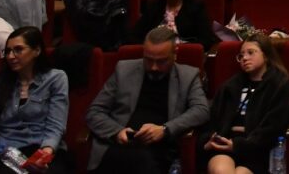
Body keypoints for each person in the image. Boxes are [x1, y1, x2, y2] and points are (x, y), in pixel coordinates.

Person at [85, 26, 211, 173]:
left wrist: (165, 129)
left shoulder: (188, 76)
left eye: (161, 61)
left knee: (145, 160)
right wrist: (117, 132)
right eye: (149, 60)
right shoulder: (124, 70)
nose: (154, 67)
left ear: (175, 53)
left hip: (159, 149)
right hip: (120, 146)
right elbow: (94, 112)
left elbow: (202, 110)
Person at [0, 26, 74, 174]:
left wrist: (44, 154)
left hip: (45, 148)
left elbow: (56, 126)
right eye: (8, 51)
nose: (10, 56)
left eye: (18, 50)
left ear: (37, 50)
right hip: (8, 154)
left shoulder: (56, 78)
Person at [198, 33, 289, 174]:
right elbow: (212, 119)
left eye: (251, 52)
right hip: (225, 144)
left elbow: (274, 127)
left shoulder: (279, 85)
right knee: (221, 170)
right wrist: (208, 141)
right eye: (241, 55)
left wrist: (239, 145)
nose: (244, 58)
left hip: (257, 150)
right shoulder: (230, 86)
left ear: (266, 55)